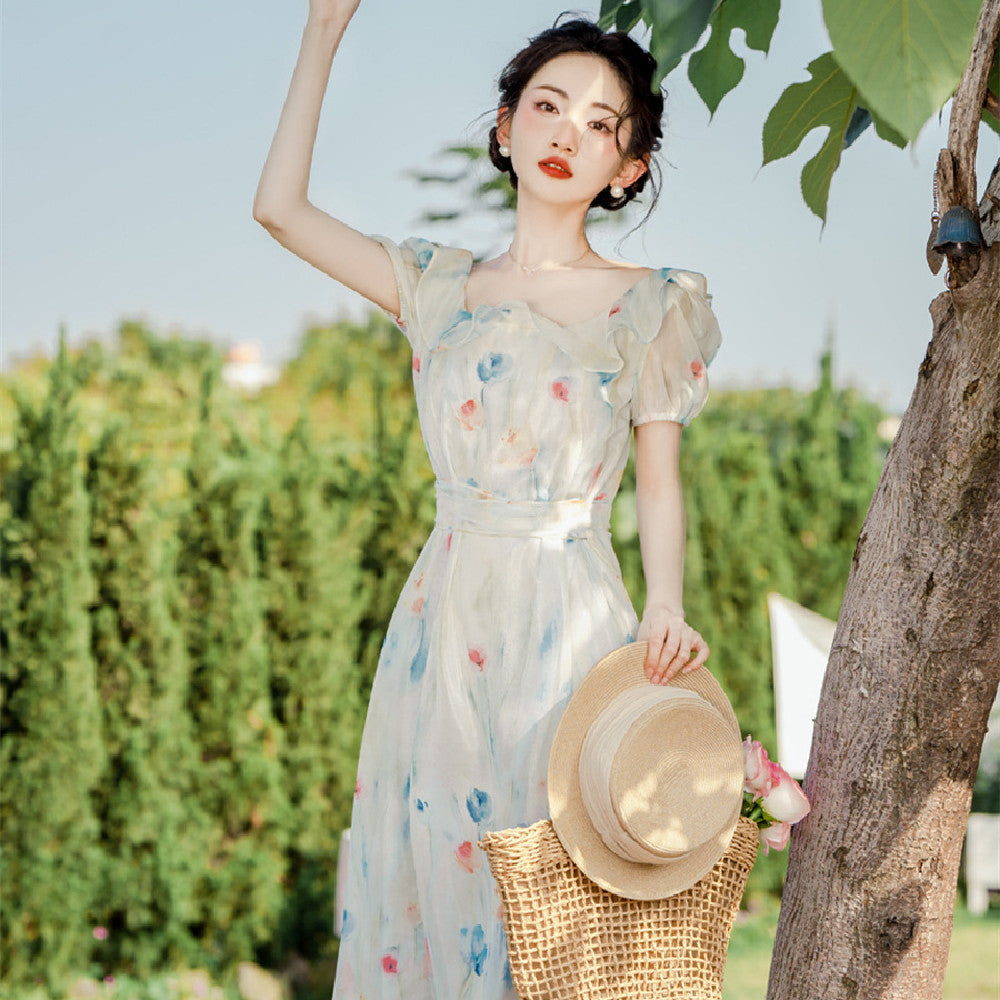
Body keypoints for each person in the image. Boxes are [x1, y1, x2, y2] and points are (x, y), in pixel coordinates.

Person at [254, 5, 722, 998]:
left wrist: (667, 601)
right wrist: (323, 34)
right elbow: (280, 210)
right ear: (504, 128)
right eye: (546, 107)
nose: (566, 133)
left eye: (601, 123)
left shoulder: (653, 302)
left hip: (574, 611)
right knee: (437, 870)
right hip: (446, 612)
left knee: (559, 883)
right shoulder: (436, 285)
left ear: (629, 165)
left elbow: (659, 475)